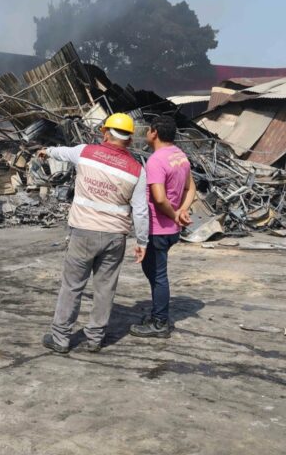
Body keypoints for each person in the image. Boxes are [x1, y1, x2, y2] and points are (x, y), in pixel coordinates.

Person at [38, 113, 149, 354]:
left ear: (105, 133)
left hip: (83, 234)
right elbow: (140, 212)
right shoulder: (137, 170)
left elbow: (61, 152)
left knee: (72, 286)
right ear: (130, 140)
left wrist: (46, 151)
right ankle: (95, 339)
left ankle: (60, 338)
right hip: (115, 238)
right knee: (105, 288)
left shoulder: (85, 152)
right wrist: (142, 241)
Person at [129, 116, 195, 338]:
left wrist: (175, 214)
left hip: (157, 229)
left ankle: (160, 323)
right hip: (170, 230)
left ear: (154, 132)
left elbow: (158, 198)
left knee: (158, 276)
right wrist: (182, 211)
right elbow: (190, 188)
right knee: (156, 275)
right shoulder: (180, 155)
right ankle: (158, 314)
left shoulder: (156, 160)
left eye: (148, 130)